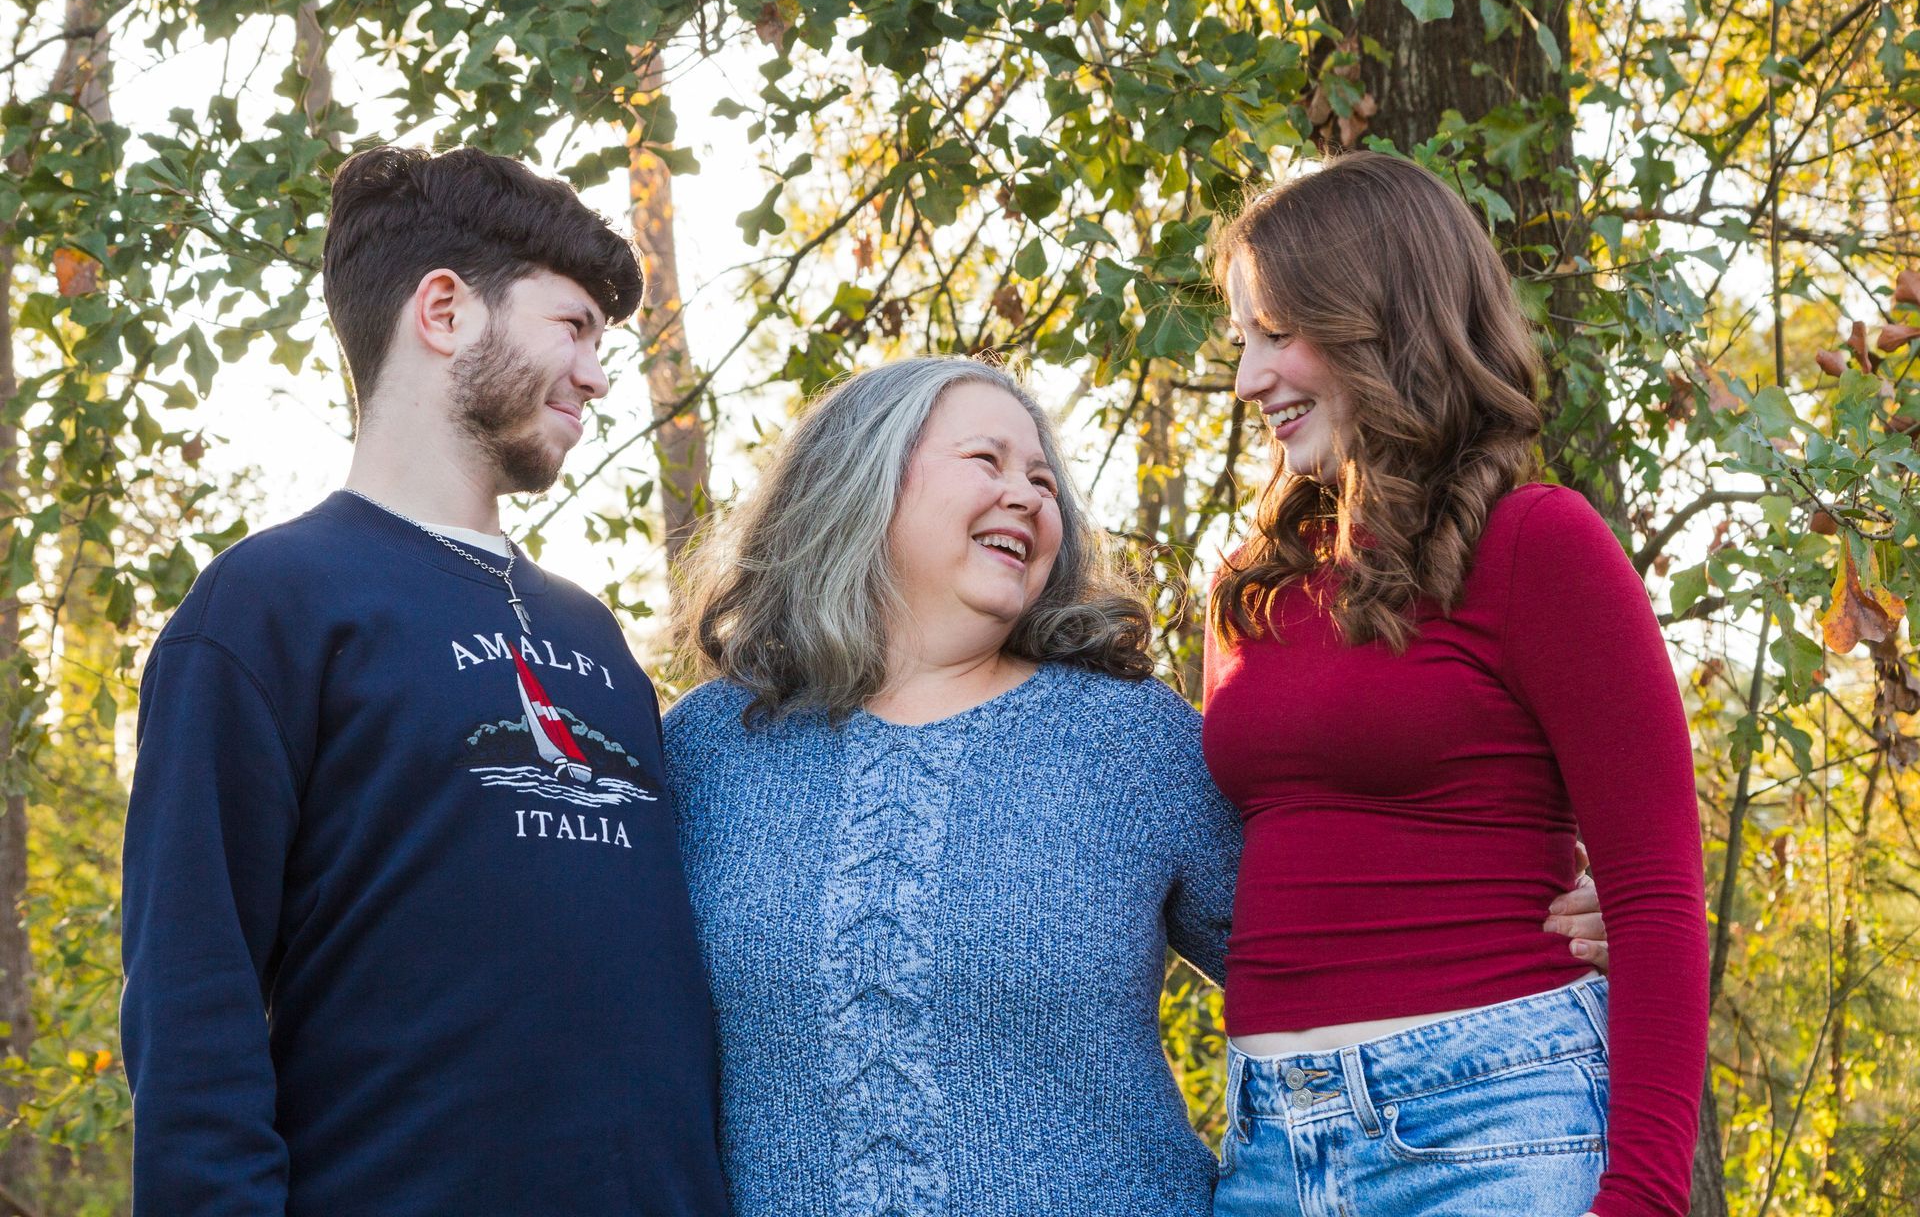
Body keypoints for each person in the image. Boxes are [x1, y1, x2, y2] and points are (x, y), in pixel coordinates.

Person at [662, 355, 1609, 1216]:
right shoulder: (708, 751)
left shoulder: (1130, 742)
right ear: (859, 479)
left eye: (1043, 481)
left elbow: (1332, 946)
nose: (1028, 496)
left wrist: (1564, 919)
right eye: (986, 460)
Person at [120, 145, 730, 1216]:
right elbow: (190, 1004)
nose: (596, 373)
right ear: (443, 309)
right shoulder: (269, 606)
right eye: (573, 326)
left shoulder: (593, 633)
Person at [1204, 152, 1708, 1217]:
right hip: (1265, 1147)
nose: (1249, 380)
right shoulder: (1250, 594)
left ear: (1378, 318)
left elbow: (1658, 897)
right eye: (1241, 342)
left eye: (1276, 334)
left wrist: (1645, 1200)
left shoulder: (1538, 542)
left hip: (1493, 1118)